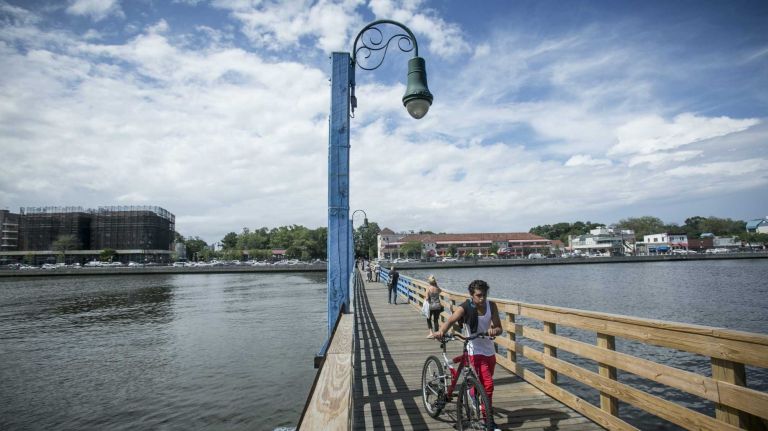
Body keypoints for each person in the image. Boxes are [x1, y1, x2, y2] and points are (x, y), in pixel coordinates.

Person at [434, 280, 502, 429]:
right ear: (472, 295)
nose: (482, 298)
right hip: (475, 350)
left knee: (483, 385)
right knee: (488, 386)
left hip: (489, 350)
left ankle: (473, 392)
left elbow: (499, 327)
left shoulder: (492, 306)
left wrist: (494, 330)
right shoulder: (465, 307)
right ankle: (487, 420)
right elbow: (451, 320)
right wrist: (441, 331)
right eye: (479, 295)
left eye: (484, 295)